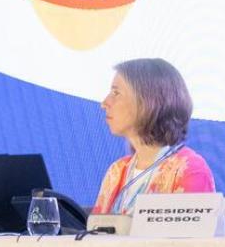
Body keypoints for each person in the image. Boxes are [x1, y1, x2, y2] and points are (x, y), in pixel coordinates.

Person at [91, 58, 215, 215]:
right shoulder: (116, 172)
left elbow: (190, 238)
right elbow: (95, 236)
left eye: (116, 93)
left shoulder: (189, 170)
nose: (104, 103)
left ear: (148, 101)